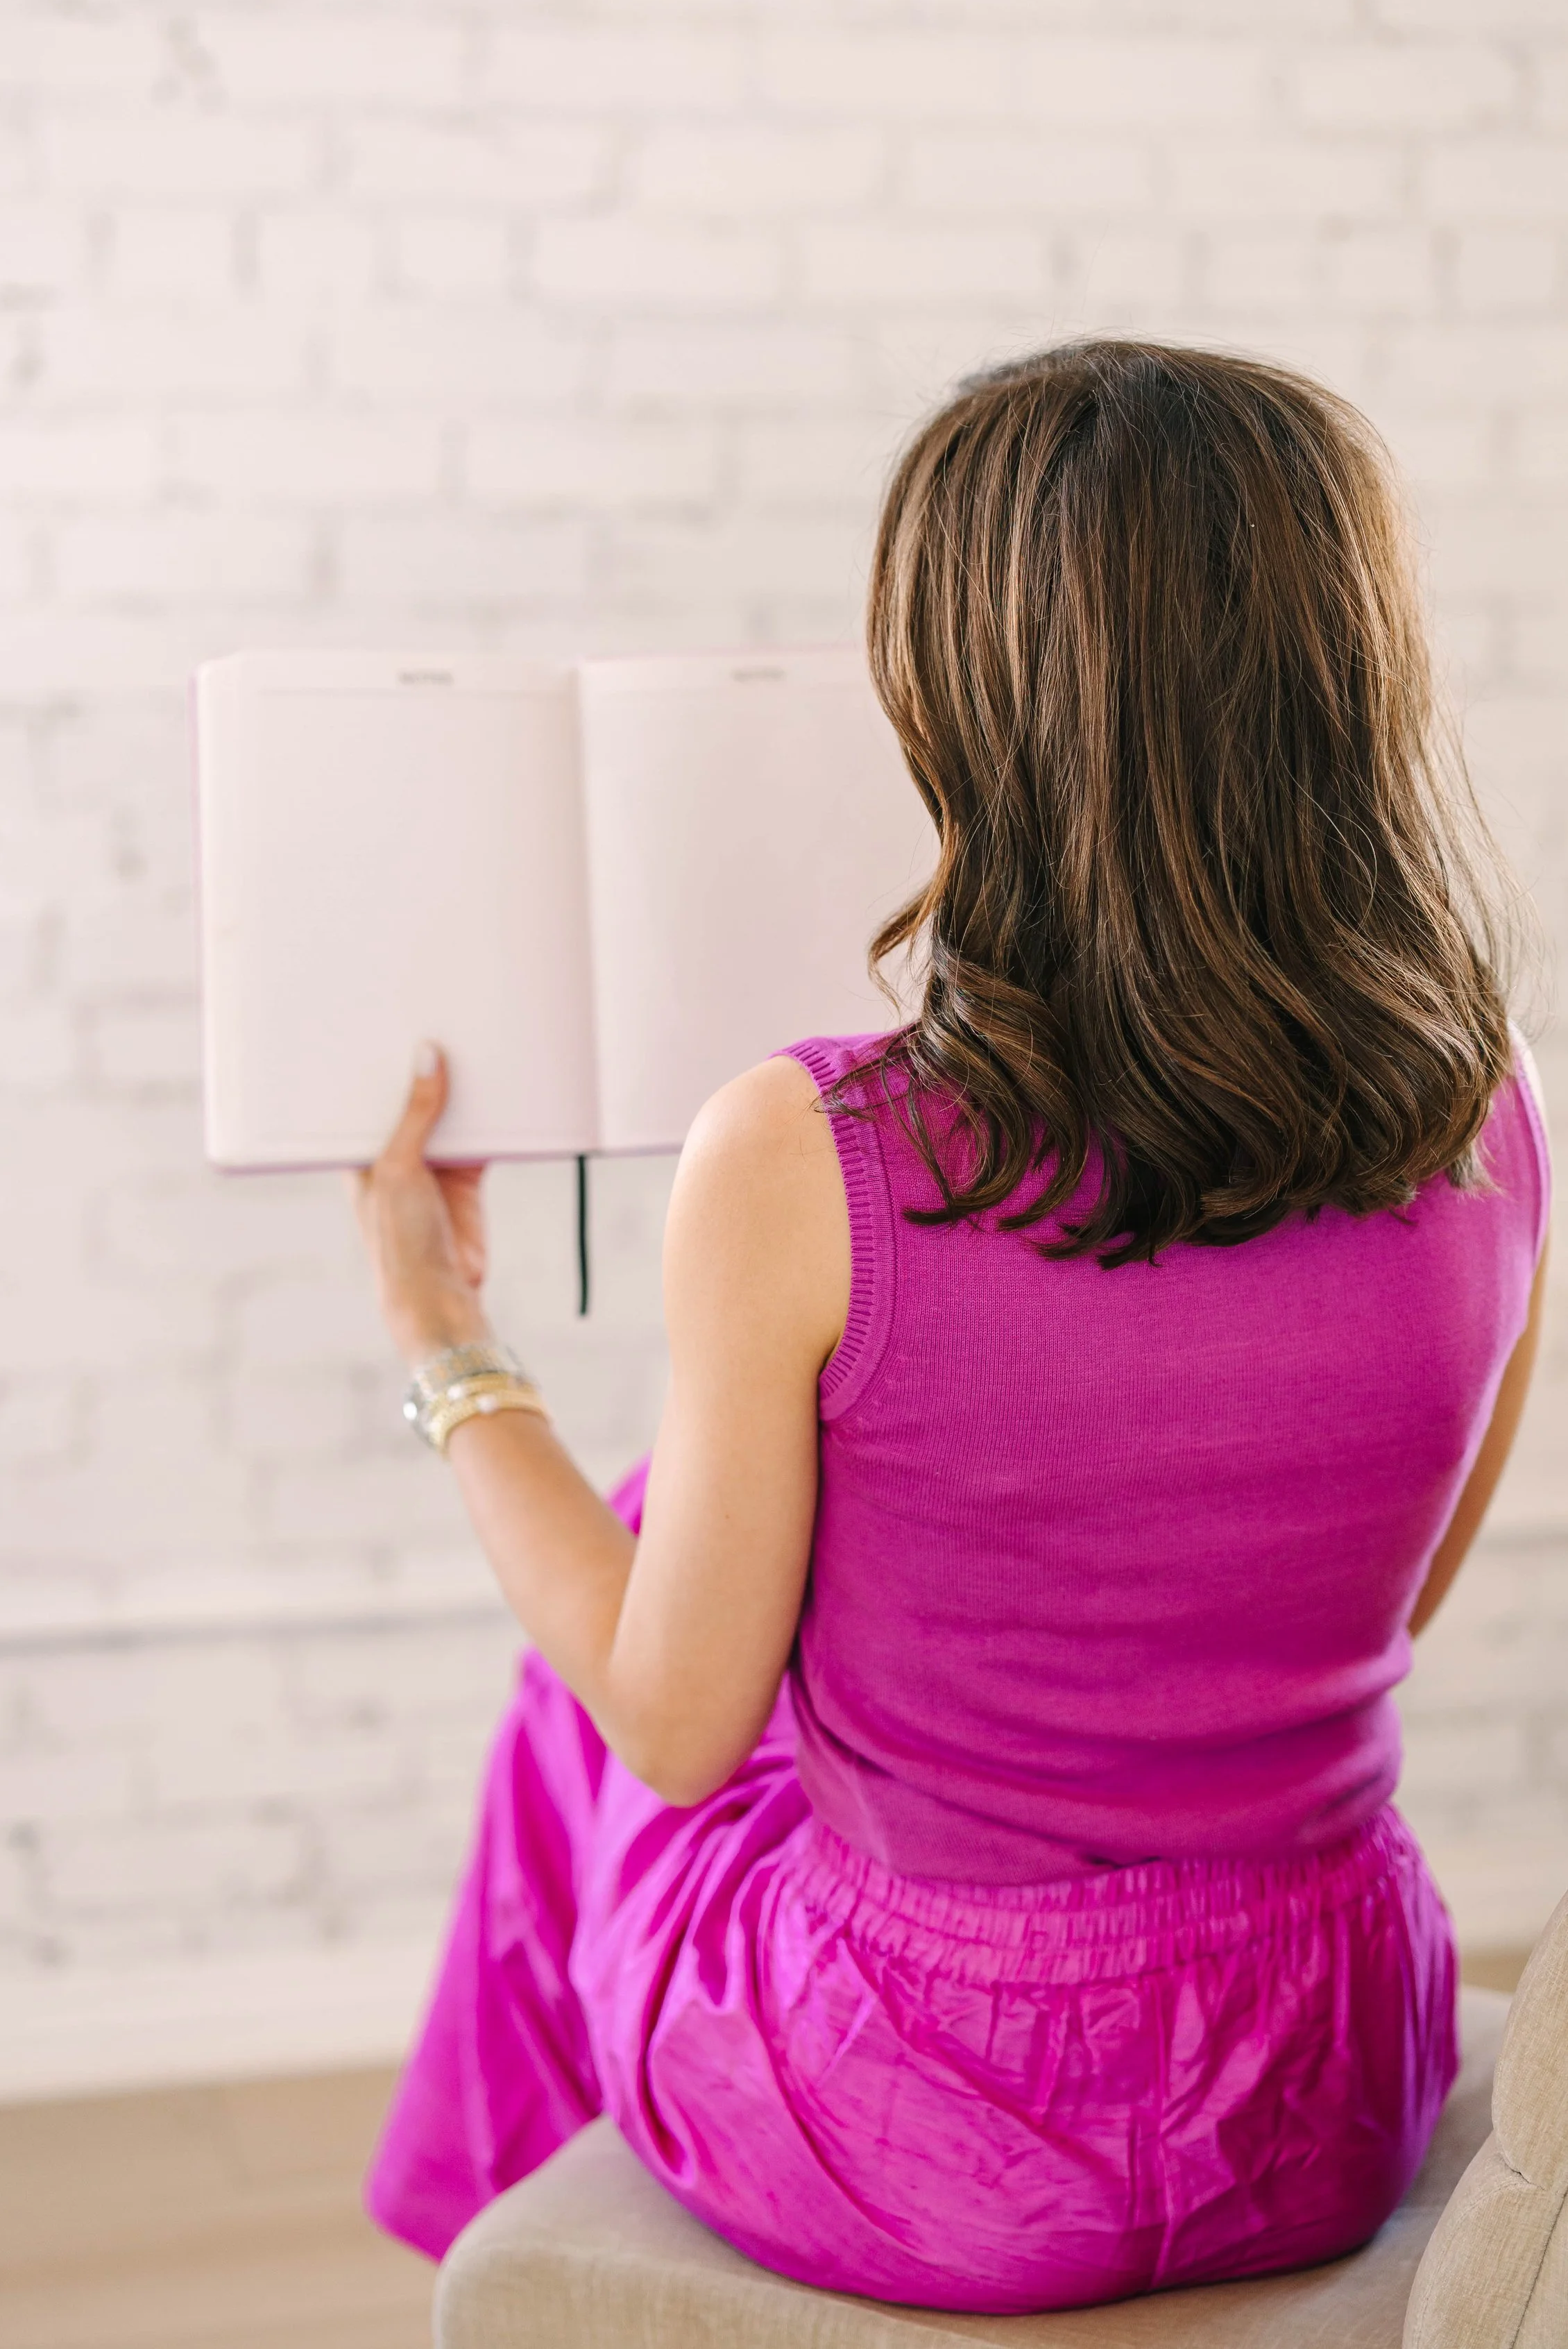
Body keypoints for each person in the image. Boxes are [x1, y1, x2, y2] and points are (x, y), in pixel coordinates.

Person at [348, 340, 1549, 2315]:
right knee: (684, 1528)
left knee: (604, 1646)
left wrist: (436, 1328)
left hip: (933, 2106)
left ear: (973, 698)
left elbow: (673, 1725)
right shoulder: (1491, 1105)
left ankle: (482, 2249)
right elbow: (1372, 1611)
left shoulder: (803, 1148)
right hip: (1329, 2066)